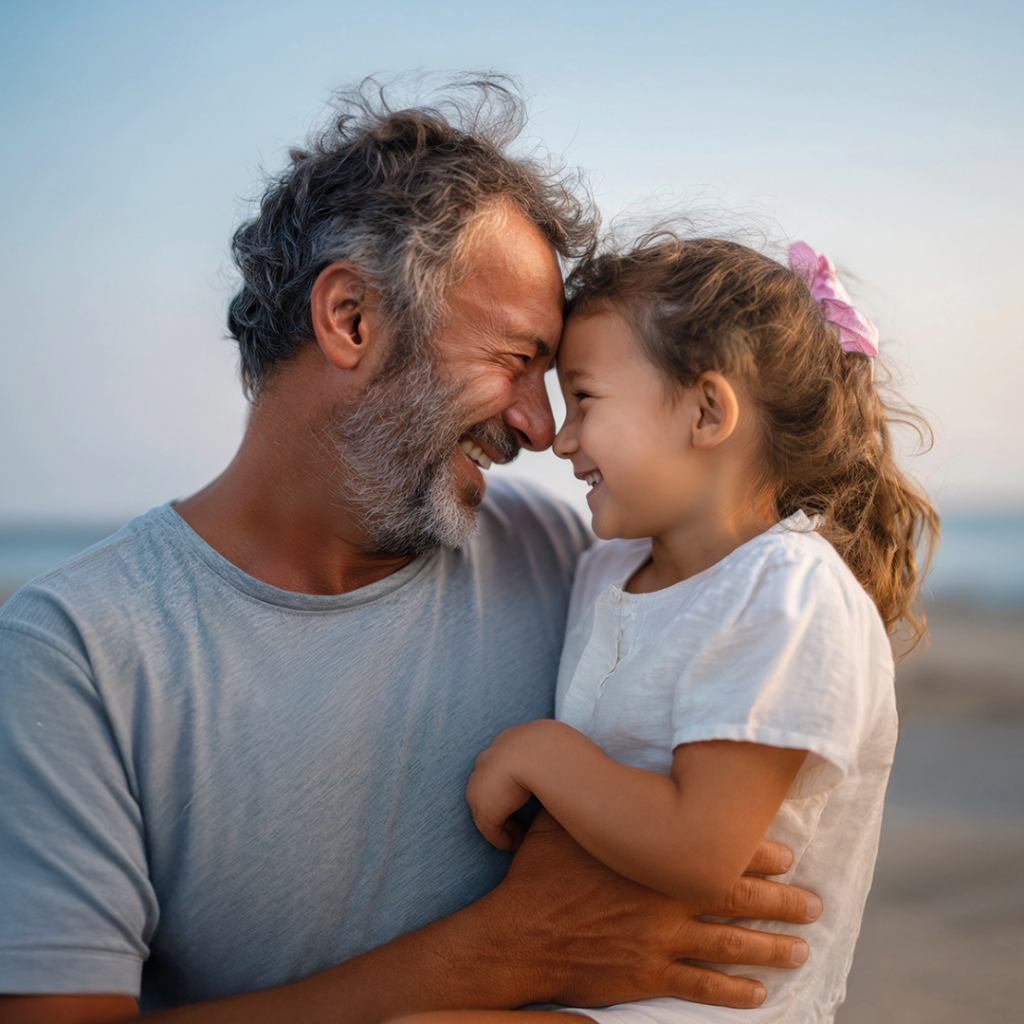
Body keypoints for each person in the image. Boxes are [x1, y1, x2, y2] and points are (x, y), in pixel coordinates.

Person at [0, 80, 822, 1024]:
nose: (539, 426)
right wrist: (494, 959)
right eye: (516, 359)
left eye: (556, 382)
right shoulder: (77, 653)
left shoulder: (573, 564)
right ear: (351, 318)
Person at [392, 236, 939, 1023]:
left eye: (586, 398)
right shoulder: (606, 570)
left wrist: (540, 753)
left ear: (708, 411)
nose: (560, 436)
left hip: (698, 1007)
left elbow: (701, 853)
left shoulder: (786, 592)